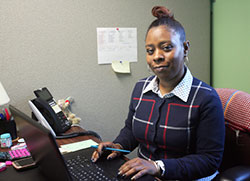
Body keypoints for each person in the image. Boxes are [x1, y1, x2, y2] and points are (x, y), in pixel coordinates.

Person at [91, 6, 225, 180]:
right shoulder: (141, 88)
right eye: (150, 50)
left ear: (185, 48)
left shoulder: (206, 98)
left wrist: (158, 167)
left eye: (166, 47)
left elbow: (209, 160)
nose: (156, 56)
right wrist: (118, 145)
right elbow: (132, 130)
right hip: (146, 176)